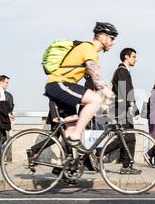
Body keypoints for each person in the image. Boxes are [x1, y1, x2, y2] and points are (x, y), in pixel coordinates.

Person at [43, 22, 116, 152]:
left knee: (71, 128)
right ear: (103, 36)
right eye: (112, 38)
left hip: (61, 85)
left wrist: (106, 91)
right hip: (59, 83)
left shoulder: (91, 52)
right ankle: (76, 136)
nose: (113, 42)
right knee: (95, 100)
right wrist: (110, 94)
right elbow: (94, 74)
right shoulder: (88, 48)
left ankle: (62, 166)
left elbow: (96, 78)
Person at [108, 48, 141, 174]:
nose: (135, 59)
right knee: (126, 137)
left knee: (130, 138)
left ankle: (127, 166)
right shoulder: (121, 71)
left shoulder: (125, 71)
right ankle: (98, 154)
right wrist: (133, 107)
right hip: (121, 110)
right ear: (126, 57)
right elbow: (124, 91)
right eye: (133, 56)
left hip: (124, 109)